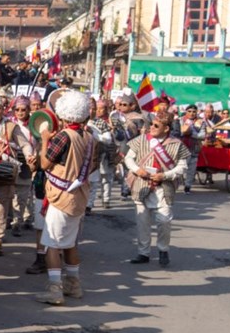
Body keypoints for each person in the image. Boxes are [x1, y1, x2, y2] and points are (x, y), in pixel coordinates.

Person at [35, 91, 94, 306]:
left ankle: (55, 290)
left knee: (52, 245)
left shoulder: (63, 136)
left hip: (61, 196)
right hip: (78, 195)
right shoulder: (88, 136)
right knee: (69, 244)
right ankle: (74, 285)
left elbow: (44, 164)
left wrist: (44, 140)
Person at [124, 110, 189, 268]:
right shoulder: (141, 140)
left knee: (164, 220)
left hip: (163, 188)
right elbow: (128, 158)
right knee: (143, 223)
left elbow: (182, 166)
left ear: (166, 128)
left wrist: (165, 175)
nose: (151, 127)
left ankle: (163, 249)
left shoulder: (176, 144)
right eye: (151, 124)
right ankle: (143, 252)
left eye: (156, 125)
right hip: (142, 185)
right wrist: (137, 170)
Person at [0, 94, 35, 255]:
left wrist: (29, 155)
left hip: (4, 172)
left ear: (3, 110)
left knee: (1, 208)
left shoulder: (10, 127)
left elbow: (24, 144)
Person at [87, 98, 127, 209]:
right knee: (90, 180)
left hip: (106, 153)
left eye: (99, 108)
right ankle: (88, 203)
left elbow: (119, 137)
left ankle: (106, 199)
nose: (97, 111)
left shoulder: (110, 121)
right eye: (94, 108)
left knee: (106, 178)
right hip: (90, 156)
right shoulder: (83, 121)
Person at [178, 104, 207, 194]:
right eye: (189, 111)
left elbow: (202, 135)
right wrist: (184, 132)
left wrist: (191, 133)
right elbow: (177, 132)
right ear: (186, 112)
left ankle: (187, 187)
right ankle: (176, 184)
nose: (191, 113)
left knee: (191, 169)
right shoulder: (180, 120)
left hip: (194, 148)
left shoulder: (200, 122)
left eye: (194, 111)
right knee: (181, 168)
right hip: (182, 148)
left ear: (196, 112)